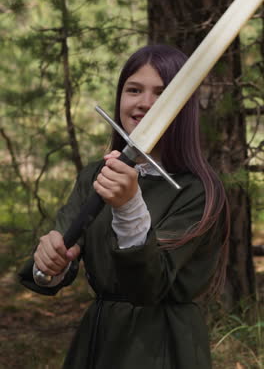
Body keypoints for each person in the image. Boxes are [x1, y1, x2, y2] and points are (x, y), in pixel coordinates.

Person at [19, 44, 230, 369]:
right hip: (98, 339)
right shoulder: (95, 174)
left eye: (161, 93)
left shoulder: (199, 190)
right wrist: (49, 264)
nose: (144, 103)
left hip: (163, 345)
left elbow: (150, 286)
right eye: (134, 90)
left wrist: (130, 205)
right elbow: (60, 252)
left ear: (183, 106)